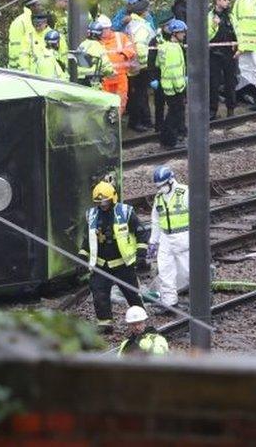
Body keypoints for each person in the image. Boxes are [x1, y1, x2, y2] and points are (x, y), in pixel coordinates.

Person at [79, 181, 148, 334]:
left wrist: (141, 255)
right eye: (99, 202)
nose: (102, 205)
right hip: (101, 264)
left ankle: (140, 321)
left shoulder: (125, 212)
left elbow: (141, 233)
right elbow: (87, 240)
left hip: (123, 264)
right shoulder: (91, 215)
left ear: (113, 198)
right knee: (99, 293)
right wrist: (82, 257)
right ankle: (105, 323)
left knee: (132, 294)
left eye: (105, 201)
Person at [147, 165, 189, 312]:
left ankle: (201, 299)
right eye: (158, 186)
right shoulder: (159, 198)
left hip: (184, 236)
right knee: (165, 271)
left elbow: (197, 215)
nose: (161, 188)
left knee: (188, 271)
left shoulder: (184, 192)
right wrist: (153, 242)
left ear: (171, 180)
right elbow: (156, 221)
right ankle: (169, 302)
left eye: (163, 185)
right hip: (166, 237)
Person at [125, 0, 158, 131]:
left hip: (135, 64)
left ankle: (144, 120)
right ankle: (139, 121)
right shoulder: (140, 26)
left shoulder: (133, 24)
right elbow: (140, 46)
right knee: (139, 95)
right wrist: (148, 62)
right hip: (141, 65)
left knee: (139, 94)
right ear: (143, 12)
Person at [155, 19, 188, 149]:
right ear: (175, 33)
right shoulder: (174, 48)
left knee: (172, 113)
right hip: (175, 87)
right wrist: (181, 86)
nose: (184, 35)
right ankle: (169, 142)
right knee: (174, 115)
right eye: (182, 33)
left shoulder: (164, 46)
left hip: (168, 86)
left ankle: (166, 139)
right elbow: (174, 71)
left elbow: (158, 64)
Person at [208, 0, 238, 119]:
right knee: (213, 84)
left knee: (230, 83)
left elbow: (238, 32)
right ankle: (213, 110)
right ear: (218, 2)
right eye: (225, 0)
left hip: (229, 53)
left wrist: (239, 47)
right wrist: (215, 25)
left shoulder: (231, 16)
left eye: (227, 0)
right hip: (214, 54)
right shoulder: (209, 17)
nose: (227, 2)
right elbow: (207, 36)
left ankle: (230, 110)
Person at [75, 21, 115, 87]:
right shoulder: (97, 46)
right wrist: (110, 72)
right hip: (92, 80)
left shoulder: (83, 44)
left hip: (79, 79)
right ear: (100, 34)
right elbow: (106, 65)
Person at [8, 0, 42, 72]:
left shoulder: (32, 19)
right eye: (38, 5)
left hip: (31, 66)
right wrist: (21, 67)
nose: (41, 7)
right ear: (31, 7)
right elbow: (15, 47)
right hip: (19, 68)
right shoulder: (20, 22)